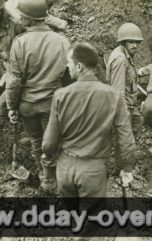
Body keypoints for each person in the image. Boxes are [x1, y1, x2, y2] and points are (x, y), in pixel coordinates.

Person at [42, 42, 135, 201]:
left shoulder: (60, 95)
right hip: (93, 170)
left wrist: (51, 157)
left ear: (79, 67)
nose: (67, 68)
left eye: (69, 64)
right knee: (91, 221)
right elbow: (126, 140)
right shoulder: (113, 95)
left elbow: (49, 143)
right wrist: (126, 167)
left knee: (72, 216)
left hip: (65, 168)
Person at [5, 0, 70, 190]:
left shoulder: (20, 43)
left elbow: (14, 80)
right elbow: (69, 75)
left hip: (28, 105)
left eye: (22, 15)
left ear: (30, 18)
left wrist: (11, 106)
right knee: (54, 141)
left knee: (36, 141)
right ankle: (53, 177)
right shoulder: (62, 41)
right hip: (53, 103)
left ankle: (45, 177)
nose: (20, 18)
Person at [106, 22, 143, 137]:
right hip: (123, 106)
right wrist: (124, 115)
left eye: (137, 42)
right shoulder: (120, 59)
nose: (135, 45)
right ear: (123, 42)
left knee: (138, 121)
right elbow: (118, 91)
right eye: (131, 42)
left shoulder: (125, 55)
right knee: (123, 139)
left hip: (130, 104)